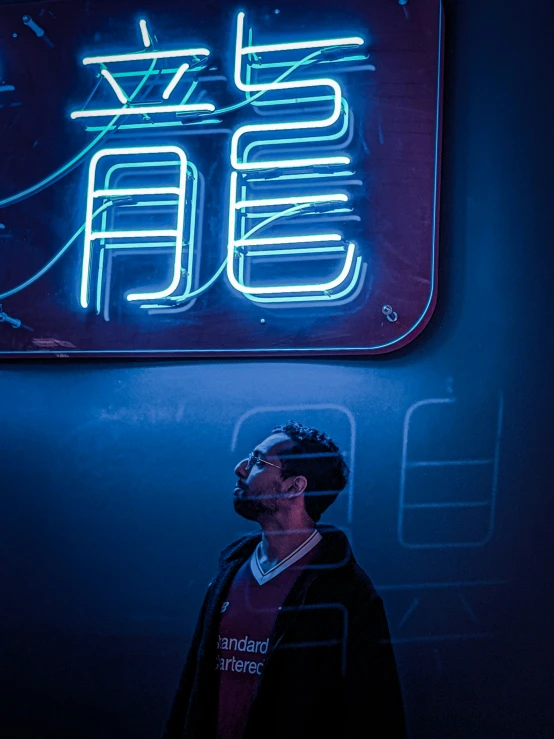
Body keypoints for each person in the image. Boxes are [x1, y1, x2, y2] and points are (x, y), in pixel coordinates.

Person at [162, 421, 407, 739]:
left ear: (294, 487)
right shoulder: (229, 572)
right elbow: (191, 688)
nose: (240, 468)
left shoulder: (347, 592)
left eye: (257, 461)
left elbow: (375, 711)